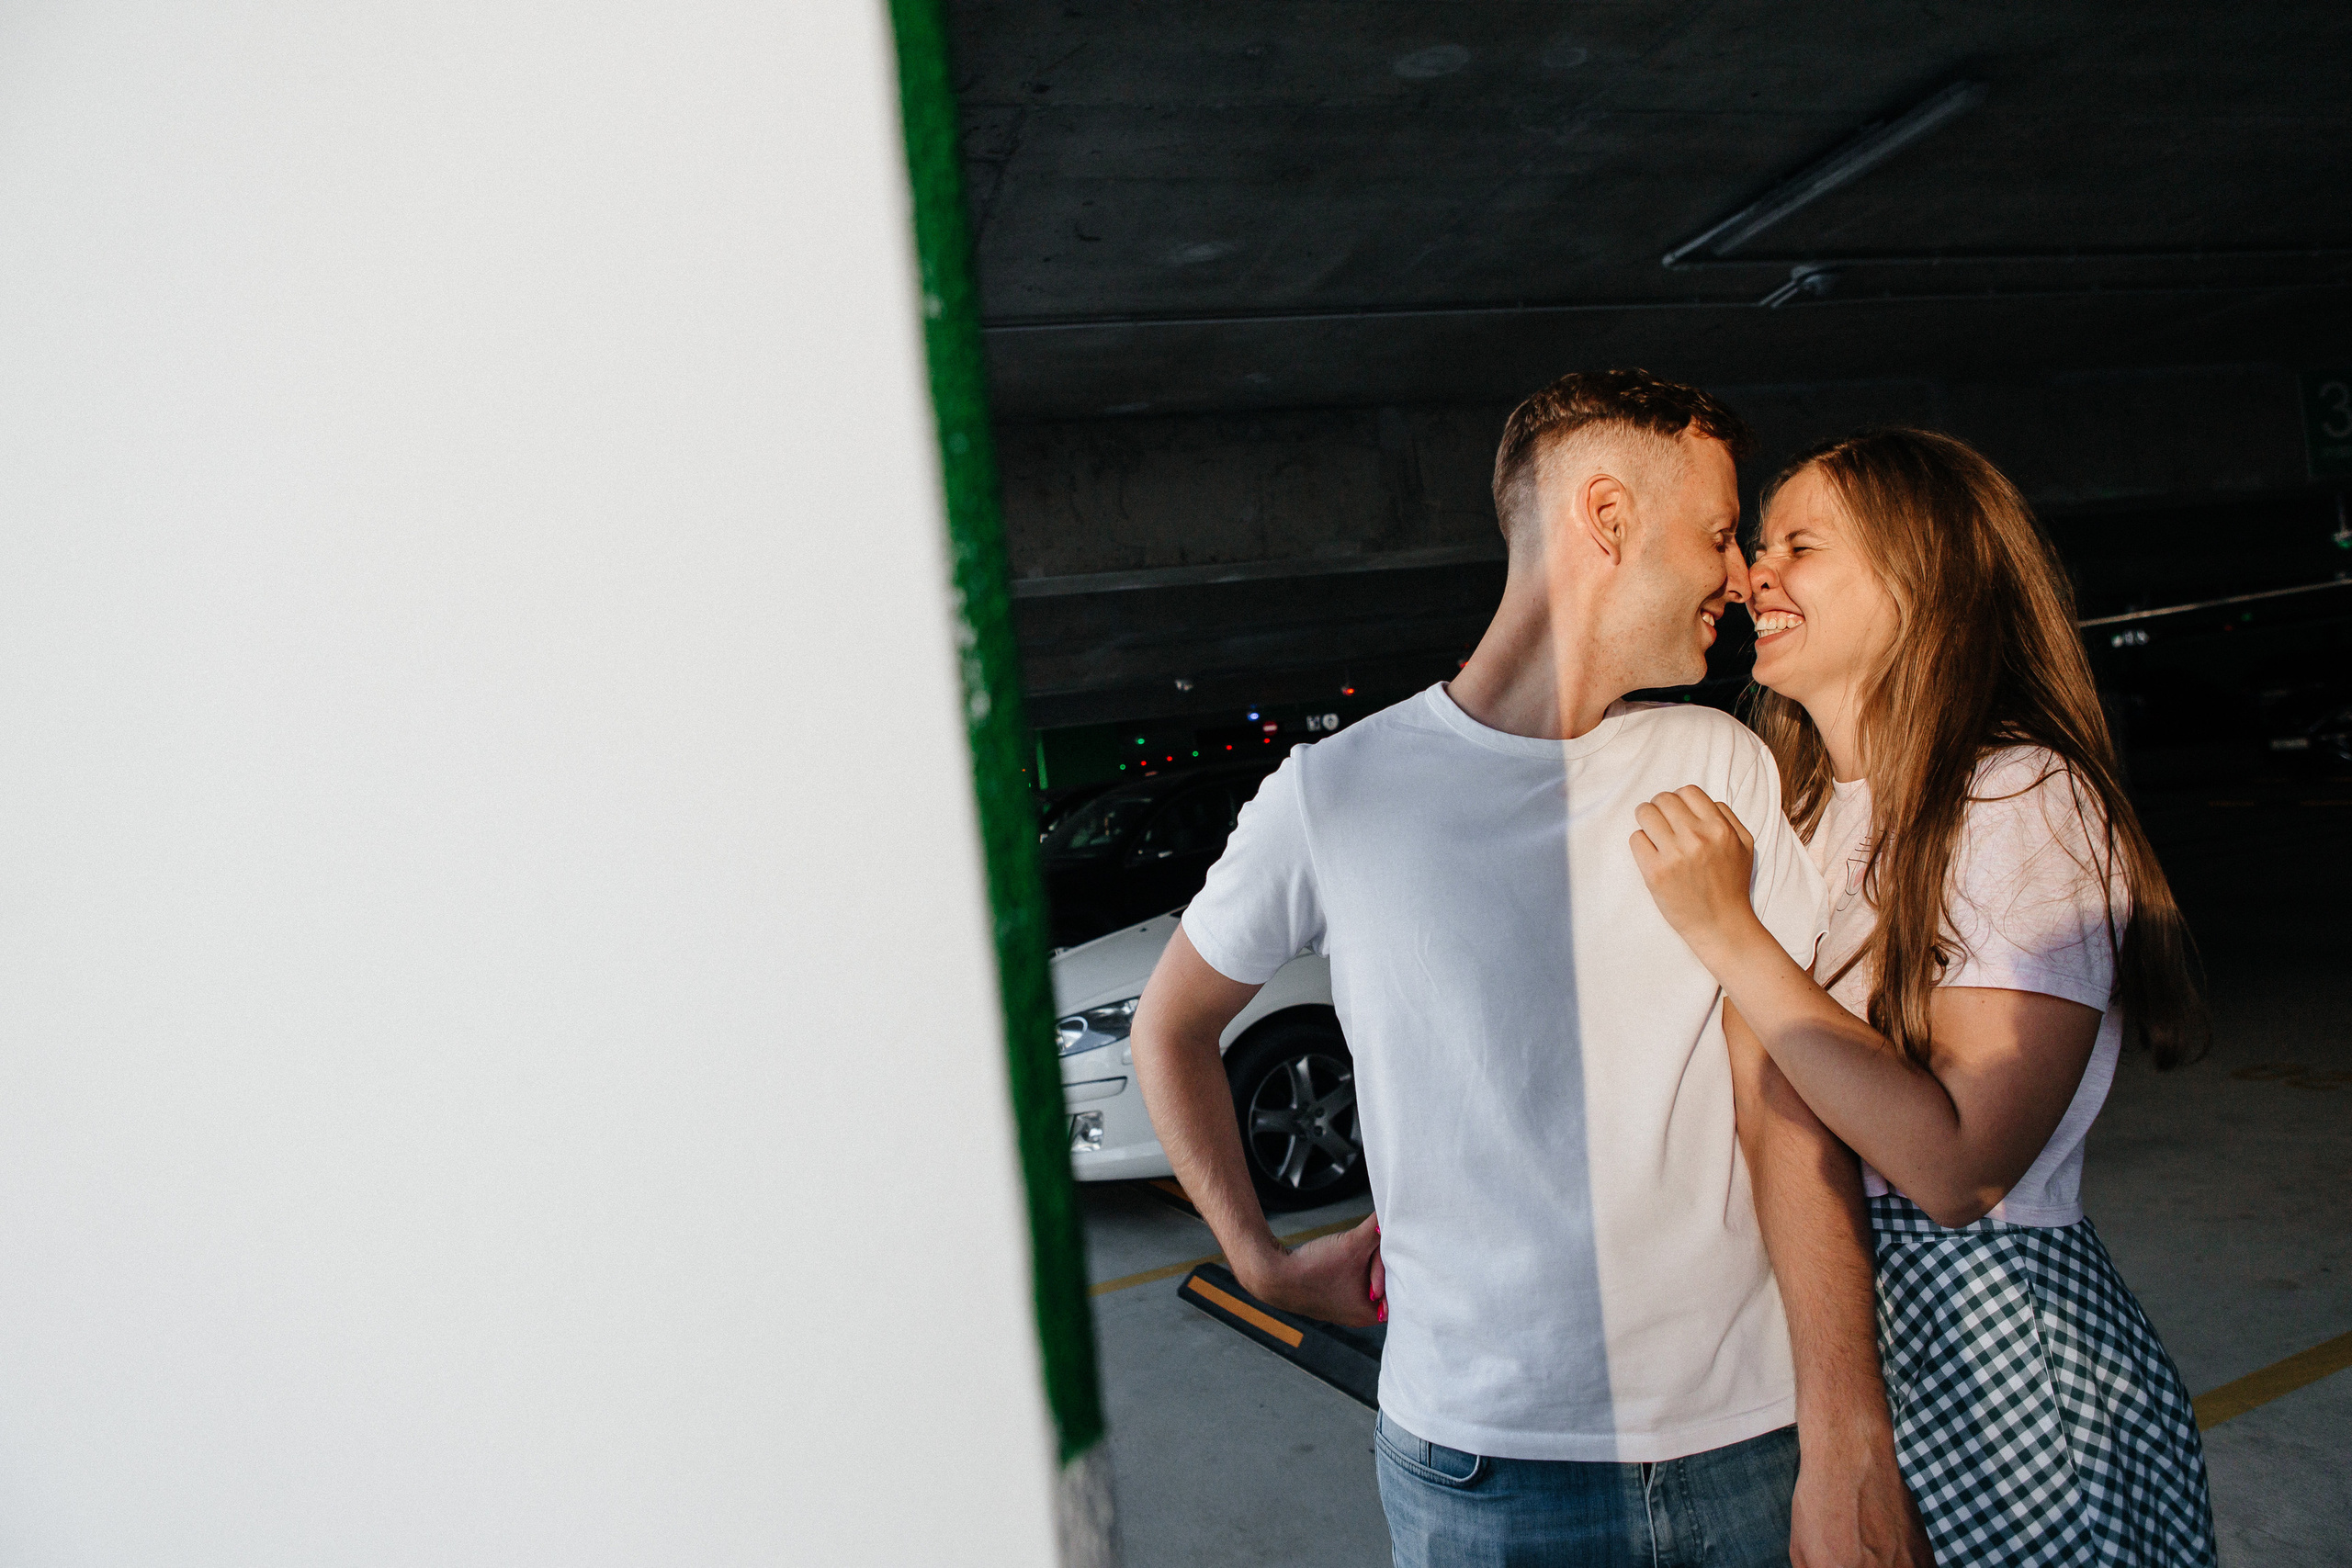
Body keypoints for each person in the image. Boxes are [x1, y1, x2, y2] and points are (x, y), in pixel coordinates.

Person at [1131, 370, 1926, 1567]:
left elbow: (1788, 1113)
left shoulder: (1723, 759)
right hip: (1482, 1470)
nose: (1738, 574)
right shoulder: (1338, 792)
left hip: (1748, 1441)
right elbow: (1171, 1026)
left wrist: (1850, 1428)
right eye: (1716, 532)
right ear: (1606, 518)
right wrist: (1259, 1257)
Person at [1629, 427, 2218, 1566]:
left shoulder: (2019, 795)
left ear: (1926, 583)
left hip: (1991, 1352)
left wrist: (1726, 932)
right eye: (1757, 545)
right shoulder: (1796, 816)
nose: (1754, 575)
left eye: (1799, 545)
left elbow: (1958, 1167)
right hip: (1824, 1341)